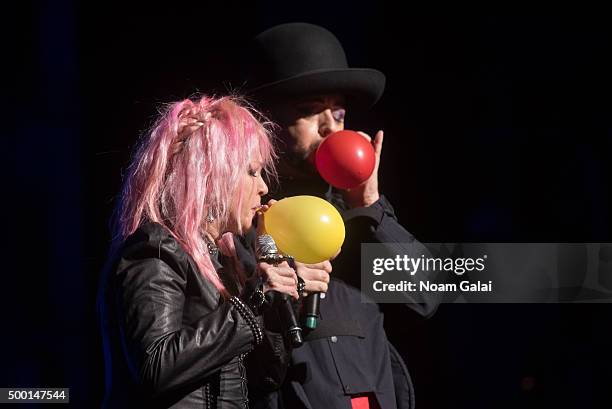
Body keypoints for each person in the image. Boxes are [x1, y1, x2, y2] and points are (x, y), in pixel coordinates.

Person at [242, 23, 440, 409]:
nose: (331, 128)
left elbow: (424, 297)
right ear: (264, 124)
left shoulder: (361, 214)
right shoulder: (245, 215)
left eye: (338, 113)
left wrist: (370, 204)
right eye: (309, 112)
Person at [97, 95, 300, 408]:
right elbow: (155, 366)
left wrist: (270, 300)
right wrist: (253, 302)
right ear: (214, 174)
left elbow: (265, 380)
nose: (263, 188)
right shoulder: (156, 248)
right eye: (251, 172)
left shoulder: (226, 261)